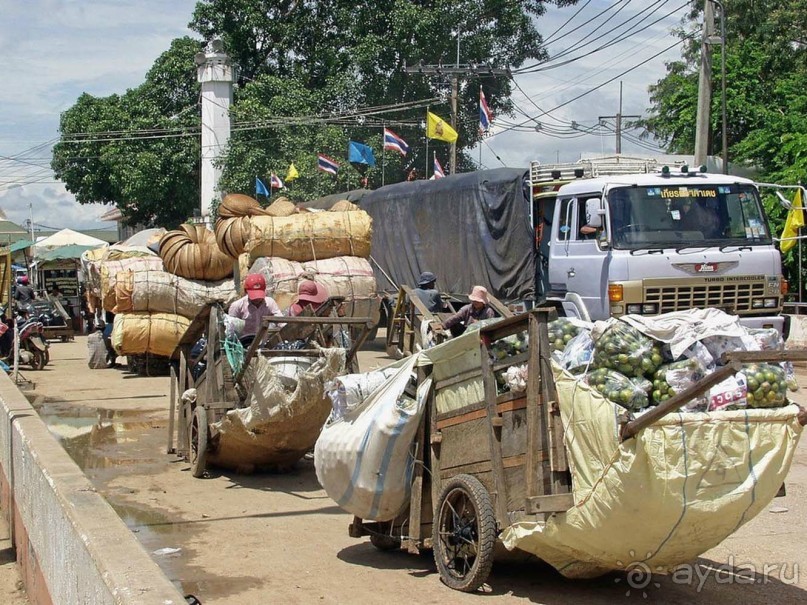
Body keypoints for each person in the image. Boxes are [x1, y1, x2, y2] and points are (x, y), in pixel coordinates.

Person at [228, 273, 283, 345]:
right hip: (243, 345)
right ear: (246, 291)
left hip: (262, 345)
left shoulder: (270, 303)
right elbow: (230, 330)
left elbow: (281, 321)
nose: (257, 299)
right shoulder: (237, 306)